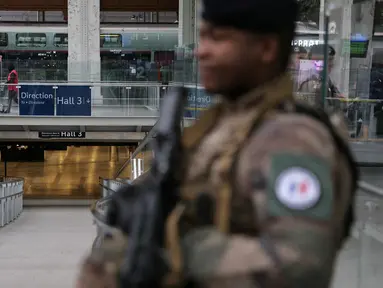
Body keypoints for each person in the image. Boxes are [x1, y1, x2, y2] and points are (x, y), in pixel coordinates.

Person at [76, 0, 358, 287]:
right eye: (203, 36)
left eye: (218, 38)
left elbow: (299, 264)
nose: (201, 51)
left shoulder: (293, 139)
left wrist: (171, 246)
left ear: (266, 49)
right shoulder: (223, 125)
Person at [298, 44, 345, 110]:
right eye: (329, 60)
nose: (331, 64)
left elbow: (336, 95)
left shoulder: (326, 79)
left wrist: (337, 98)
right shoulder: (310, 81)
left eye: (331, 60)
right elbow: (317, 109)